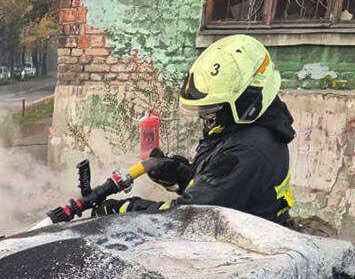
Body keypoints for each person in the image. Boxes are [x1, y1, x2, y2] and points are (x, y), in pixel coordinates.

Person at [98, 34, 296, 226]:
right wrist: (180, 175)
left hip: (245, 248)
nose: (206, 119)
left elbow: (186, 218)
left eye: (212, 111)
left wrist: (125, 210)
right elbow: (222, 190)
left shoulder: (250, 149)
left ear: (248, 100)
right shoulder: (239, 130)